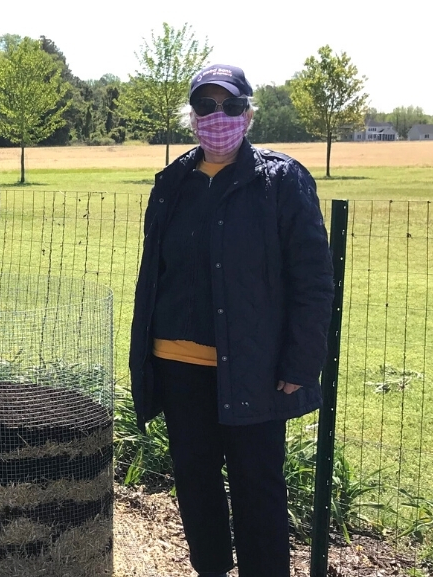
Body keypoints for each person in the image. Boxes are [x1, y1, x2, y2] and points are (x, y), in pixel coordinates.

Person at [128, 64, 335, 577]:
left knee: (257, 487)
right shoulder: (173, 181)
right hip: (177, 365)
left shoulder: (282, 180)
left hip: (254, 368)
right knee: (195, 484)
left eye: (230, 105)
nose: (217, 116)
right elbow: (155, 274)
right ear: (191, 115)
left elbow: (313, 282)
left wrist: (301, 363)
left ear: (248, 112)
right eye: (205, 105)